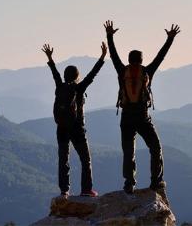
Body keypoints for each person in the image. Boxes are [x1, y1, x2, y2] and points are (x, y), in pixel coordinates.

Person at [103, 20, 181, 195]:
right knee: (155, 147)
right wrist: (170, 39)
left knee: (128, 151)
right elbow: (161, 56)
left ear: (129, 60)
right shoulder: (147, 71)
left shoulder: (122, 71)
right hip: (143, 117)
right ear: (141, 60)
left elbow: (113, 55)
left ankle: (129, 184)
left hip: (126, 117)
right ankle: (156, 182)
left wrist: (109, 36)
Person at [42, 42, 107, 197]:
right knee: (85, 159)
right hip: (77, 129)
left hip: (62, 128)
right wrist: (103, 57)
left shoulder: (60, 86)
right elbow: (92, 74)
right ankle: (86, 190)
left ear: (65, 76)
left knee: (63, 160)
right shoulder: (79, 88)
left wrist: (50, 58)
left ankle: (64, 191)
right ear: (78, 76)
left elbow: (55, 74)